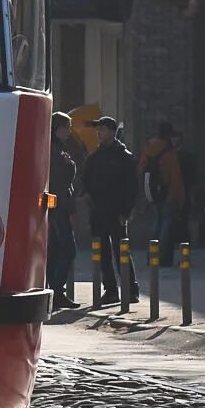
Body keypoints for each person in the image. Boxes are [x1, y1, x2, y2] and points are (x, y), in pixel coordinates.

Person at [80, 115, 138, 307]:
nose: (99, 132)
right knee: (102, 254)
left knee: (121, 251)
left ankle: (130, 290)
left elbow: (131, 188)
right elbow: (85, 180)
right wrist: (86, 193)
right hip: (98, 213)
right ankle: (111, 290)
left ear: (112, 132)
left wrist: (126, 212)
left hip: (117, 213)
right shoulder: (94, 157)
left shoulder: (124, 157)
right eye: (98, 129)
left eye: (103, 129)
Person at [47, 114, 84, 309]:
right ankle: (56, 290)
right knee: (68, 249)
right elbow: (59, 183)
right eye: (67, 127)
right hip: (59, 206)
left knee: (55, 250)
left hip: (57, 205)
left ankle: (54, 291)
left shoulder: (58, 148)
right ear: (57, 128)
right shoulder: (54, 150)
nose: (69, 131)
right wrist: (70, 207)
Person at [138, 121, 189, 255]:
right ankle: (161, 255)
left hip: (152, 193)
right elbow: (175, 177)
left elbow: (141, 170)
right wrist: (179, 198)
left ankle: (152, 255)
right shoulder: (169, 153)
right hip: (167, 193)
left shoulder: (149, 148)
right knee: (166, 224)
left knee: (156, 222)